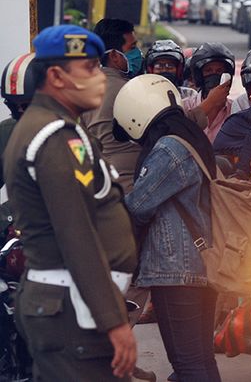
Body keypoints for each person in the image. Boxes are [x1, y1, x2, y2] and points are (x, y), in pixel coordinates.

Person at [4, 25, 138, 380]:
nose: (99, 78)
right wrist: (113, 321)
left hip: (74, 305)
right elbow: (76, 234)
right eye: (89, 69)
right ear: (56, 76)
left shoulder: (63, 128)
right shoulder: (53, 137)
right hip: (70, 310)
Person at [116, 74, 221, 382]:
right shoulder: (191, 138)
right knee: (201, 358)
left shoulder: (170, 149)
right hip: (201, 265)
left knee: (187, 363)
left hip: (177, 271)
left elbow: (138, 205)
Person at [80, 19, 144, 192]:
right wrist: (209, 105)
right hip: (130, 179)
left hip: (98, 176)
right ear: (114, 56)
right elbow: (165, 124)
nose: (138, 53)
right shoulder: (129, 90)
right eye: (132, 48)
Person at [182, 43, 234, 142]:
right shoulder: (185, 106)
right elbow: (180, 131)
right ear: (199, 76)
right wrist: (210, 102)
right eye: (208, 71)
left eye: (219, 71)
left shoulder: (235, 110)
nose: (214, 75)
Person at [0, 53, 36, 187]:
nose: (20, 110)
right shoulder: (7, 131)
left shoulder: (73, 135)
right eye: (12, 105)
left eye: (27, 105)